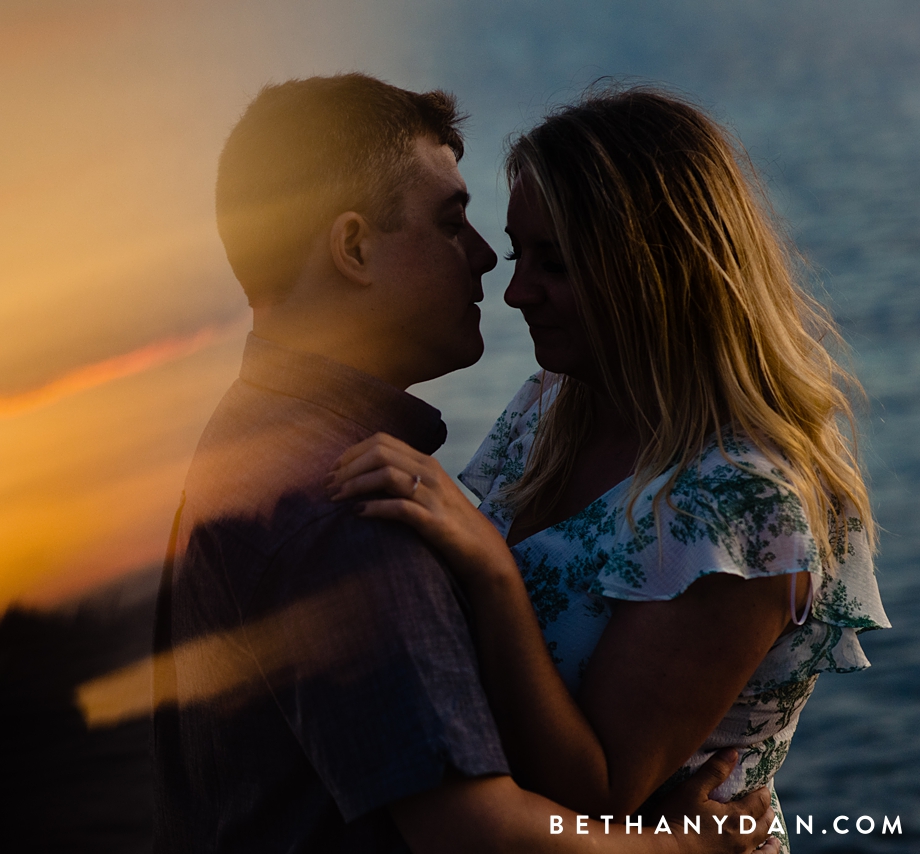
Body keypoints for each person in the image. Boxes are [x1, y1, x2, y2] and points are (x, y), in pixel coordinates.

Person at [154, 73, 778, 854]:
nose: (491, 266)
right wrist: (679, 848)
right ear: (352, 246)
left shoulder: (257, 435)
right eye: (454, 224)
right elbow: (476, 838)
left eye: (549, 260)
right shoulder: (353, 512)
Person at [328, 86, 889, 853]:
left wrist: (491, 573)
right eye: (521, 254)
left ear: (657, 267)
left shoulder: (743, 502)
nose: (517, 291)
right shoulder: (549, 407)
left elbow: (596, 792)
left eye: (555, 264)